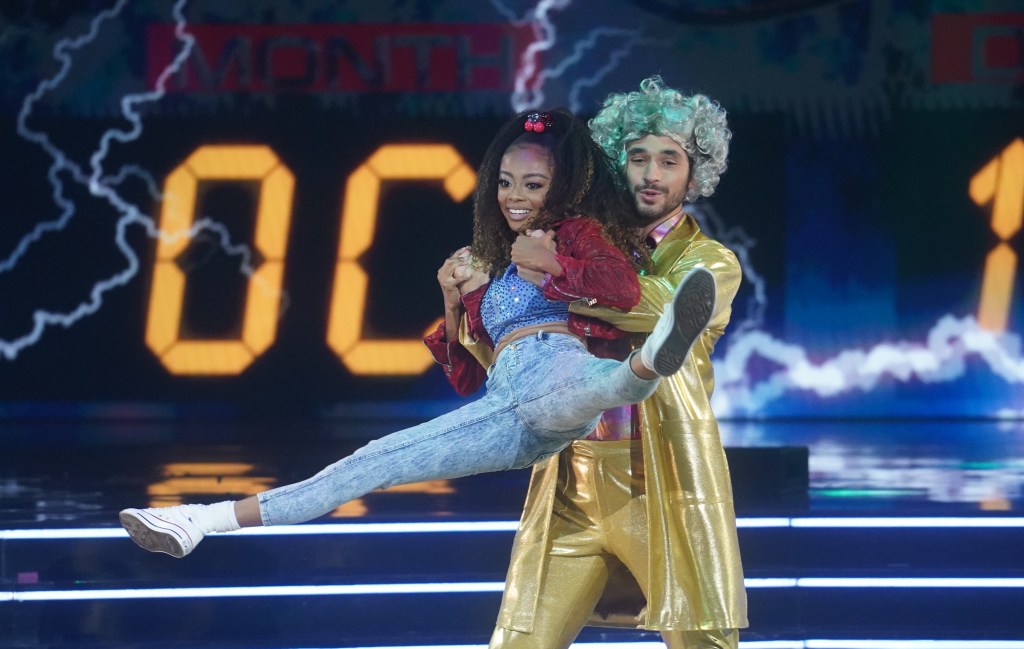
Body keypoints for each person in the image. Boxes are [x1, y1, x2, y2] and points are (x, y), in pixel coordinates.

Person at [118, 106, 720, 559]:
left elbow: (621, 290)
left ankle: (202, 520)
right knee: (373, 464)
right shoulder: (491, 265)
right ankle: (644, 366)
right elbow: (467, 377)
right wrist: (452, 300)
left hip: (556, 377)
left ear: (561, 188)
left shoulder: (574, 234)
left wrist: (554, 263)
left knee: (589, 384)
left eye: (533, 185)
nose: (514, 196)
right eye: (505, 182)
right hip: (511, 413)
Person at [486, 77, 748, 649]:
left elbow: (655, 306)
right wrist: (464, 302)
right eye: (637, 158)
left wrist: (552, 276)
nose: (651, 174)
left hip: (660, 482)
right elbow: (510, 348)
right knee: (517, 641)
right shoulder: (571, 244)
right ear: (615, 165)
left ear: (694, 175)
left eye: (669, 161)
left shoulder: (712, 262)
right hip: (570, 482)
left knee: (703, 642)